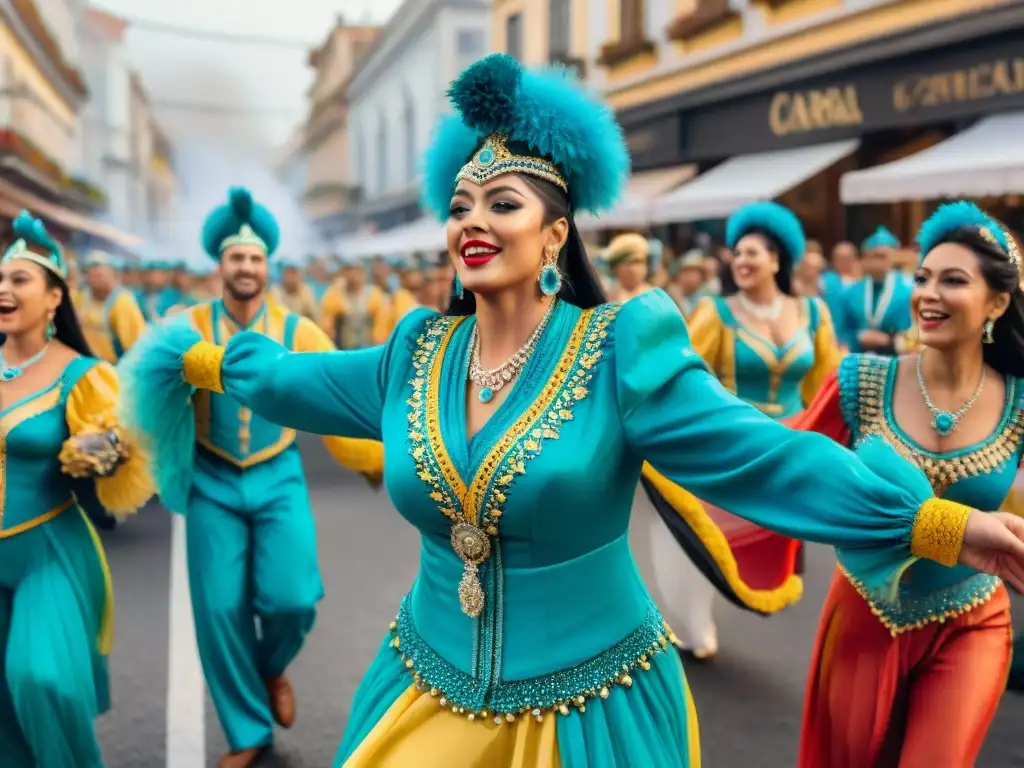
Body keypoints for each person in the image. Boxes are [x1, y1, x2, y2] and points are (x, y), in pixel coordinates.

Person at [117, 55, 1024, 768]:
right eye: (462, 204)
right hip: (428, 678)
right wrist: (195, 357)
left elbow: (764, 455)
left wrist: (940, 523)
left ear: (554, 234)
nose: (472, 219)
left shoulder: (620, 352)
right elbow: (289, 383)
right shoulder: (413, 355)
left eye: (502, 202)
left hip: (590, 704)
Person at [120, 188, 384, 768]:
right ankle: (247, 733)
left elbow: (339, 399)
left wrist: (375, 461)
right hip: (211, 478)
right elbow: (142, 399)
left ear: (270, 267)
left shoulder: (301, 331)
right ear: (221, 264)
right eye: (237, 257)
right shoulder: (182, 327)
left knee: (291, 598)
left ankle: (271, 668)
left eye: (256, 258)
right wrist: (124, 457)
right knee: (218, 610)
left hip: (279, 476)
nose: (246, 267)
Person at [796, 201, 1024, 767]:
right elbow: (791, 472)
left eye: (953, 280)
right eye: (921, 277)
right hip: (865, 616)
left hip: (971, 619)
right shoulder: (860, 381)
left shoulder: (1020, 400)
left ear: (997, 303)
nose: (928, 294)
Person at [641, 202, 842, 659]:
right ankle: (693, 620)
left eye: (754, 252)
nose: (743, 261)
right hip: (727, 447)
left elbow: (826, 384)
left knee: (764, 544)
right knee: (702, 530)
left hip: (786, 451)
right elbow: (684, 373)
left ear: (778, 259)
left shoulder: (813, 313)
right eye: (738, 252)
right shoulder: (716, 312)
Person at [0, 211, 153, 767]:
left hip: (48, 551)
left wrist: (106, 449)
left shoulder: (82, 374)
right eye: (0, 278)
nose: (4, 289)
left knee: (42, 681)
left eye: (19, 279)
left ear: (53, 299)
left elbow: (121, 444)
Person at [837, 226, 912, 354]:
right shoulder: (850, 293)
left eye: (883, 256)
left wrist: (889, 340)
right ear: (865, 258)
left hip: (894, 362)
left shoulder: (907, 291)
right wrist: (858, 338)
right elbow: (841, 332)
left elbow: (913, 335)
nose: (879, 261)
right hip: (859, 361)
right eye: (874, 256)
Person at [74, 249, 147, 363]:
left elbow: (136, 347)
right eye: (91, 273)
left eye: (100, 273)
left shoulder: (123, 302)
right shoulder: (79, 296)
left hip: (111, 368)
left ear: (112, 273)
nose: (96, 277)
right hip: (82, 364)